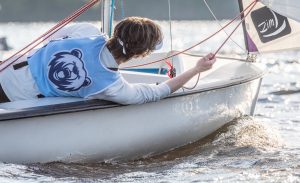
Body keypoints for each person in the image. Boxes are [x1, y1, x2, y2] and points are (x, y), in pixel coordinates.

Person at [0, 17, 216, 104]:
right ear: (141, 53)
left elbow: (46, 41)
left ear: (117, 30)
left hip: (5, 70)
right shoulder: (111, 87)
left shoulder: (87, 30)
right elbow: (159, 92)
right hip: (14, 98)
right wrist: (197, 69)